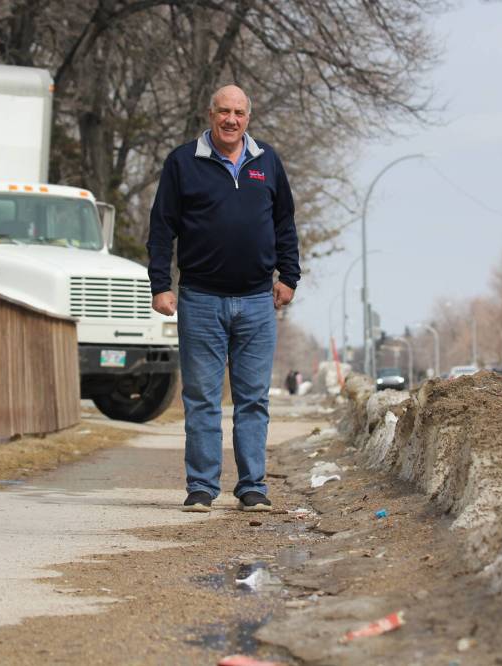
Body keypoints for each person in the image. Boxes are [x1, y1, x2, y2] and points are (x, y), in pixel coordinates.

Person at [147, 84, 300, 513]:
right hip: (200, 300)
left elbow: (284, 223)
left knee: (253, 399)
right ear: (210, 113)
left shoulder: (267, 162)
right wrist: (161, 284)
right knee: (202, 399)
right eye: (223, 111)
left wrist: (289, 276)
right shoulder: (183, 162)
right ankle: (201, 486)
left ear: (248, 118)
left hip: (257, 301)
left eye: (239, 113)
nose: (231, 120)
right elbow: (161, 228)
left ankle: (252, 486)